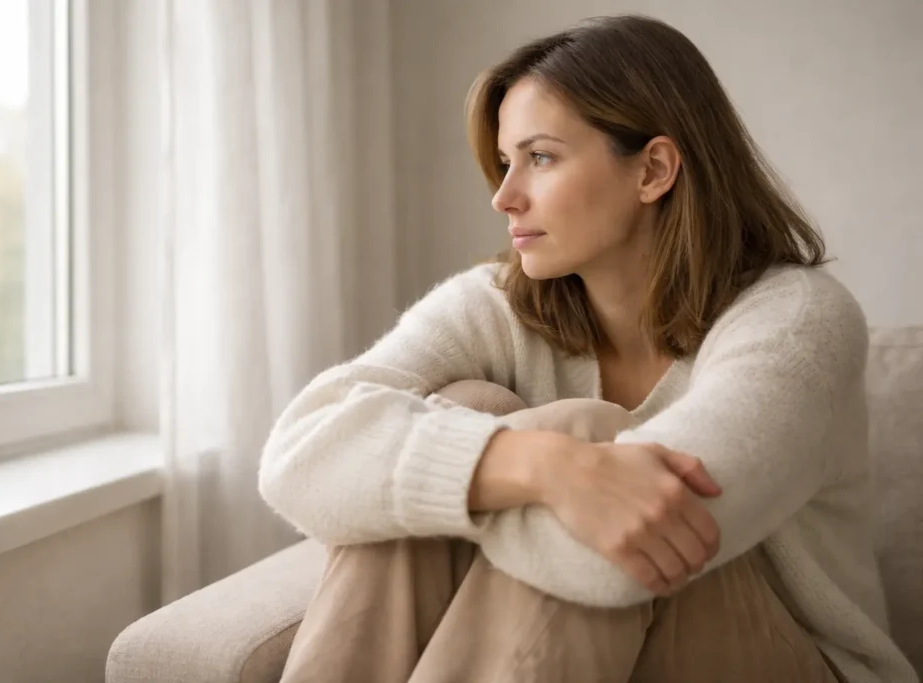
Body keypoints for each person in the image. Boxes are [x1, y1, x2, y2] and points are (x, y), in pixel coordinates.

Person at [258, 13, 917, 683]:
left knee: (581, 431)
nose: (504, 196)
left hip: (793, 662)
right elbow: (297, 453)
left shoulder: (799, 322)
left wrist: (462, 477)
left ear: (654, 169)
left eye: (540, 157)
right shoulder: (499, 303)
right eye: (507, 161)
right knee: (477, 409)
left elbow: (614, 558)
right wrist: (541, 465)